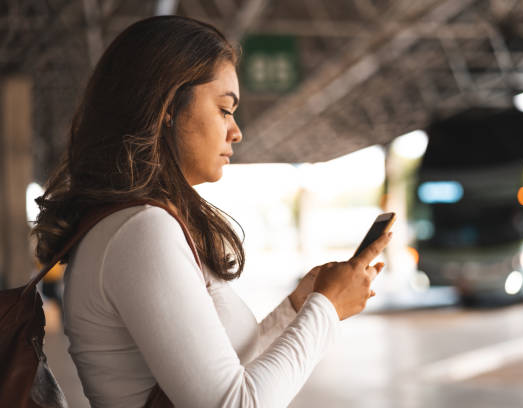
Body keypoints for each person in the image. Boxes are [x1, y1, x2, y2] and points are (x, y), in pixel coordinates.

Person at [32, 15, 391, 407]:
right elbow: (234, 403)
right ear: (167, 107)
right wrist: (327, 308)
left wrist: (299, 306)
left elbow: (228, 374)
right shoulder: (141, 231)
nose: (236, 131)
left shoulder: (136, 224)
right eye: (224, 109)